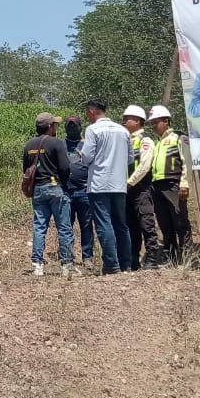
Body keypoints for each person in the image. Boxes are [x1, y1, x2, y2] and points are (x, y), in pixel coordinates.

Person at [77, 98, 131, 275]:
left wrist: (81, 154)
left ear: (92, 111)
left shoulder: (93, 130)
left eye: (87, 112)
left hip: (99, 184)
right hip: (119, 185)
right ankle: (126, 263)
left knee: (104, 224)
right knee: (121, 225)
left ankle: (111, 264)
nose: (87, 115)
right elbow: (130, 158)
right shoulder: (123, 131)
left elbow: (87, 158)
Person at [24, 112, 74, 278]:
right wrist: (64, 183)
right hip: (55, 187)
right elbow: (65, 167)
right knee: (64, 227)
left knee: (39, 227)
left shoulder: (29, 145)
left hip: (38, 189)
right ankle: (67, 264)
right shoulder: (56, 143)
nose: (56, 127)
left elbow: (26, 170)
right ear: (49, 126)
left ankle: (37, 265)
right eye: (54, 124)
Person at [147, 106, 194, 265]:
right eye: (151, 123)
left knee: (180, 222)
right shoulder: (157, 142)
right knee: (165, 224)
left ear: (166, 121)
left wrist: (184, 183)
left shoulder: (179, 138)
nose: (153, 126)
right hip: (157, 186)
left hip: (174, 185)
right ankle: (171, 257)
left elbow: (186, 161)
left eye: (156, 122)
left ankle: (188, 257)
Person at [122, 105, 162, 270]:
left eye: (127, 119)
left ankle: (152, 258)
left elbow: (144, 165)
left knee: (146, 223)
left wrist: (130, 182)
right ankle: (133, 260)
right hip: (126, 190)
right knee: (131, 225)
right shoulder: (125, 139)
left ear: (137, 121)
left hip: (140, 189)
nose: (124, 121)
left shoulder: (145, 140)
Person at [63, 115, 97, 272]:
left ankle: (87, 257)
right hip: (66, 191)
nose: (71, 128)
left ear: (80, 127)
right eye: (69, 126)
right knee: (66, 226)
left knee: (86, 225)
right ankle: (67, 257)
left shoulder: (86, 145)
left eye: (74, 125)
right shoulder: (60, 145)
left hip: (84, 190)